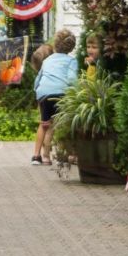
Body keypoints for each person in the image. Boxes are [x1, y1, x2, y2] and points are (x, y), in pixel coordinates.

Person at [33, 29, 78, 165]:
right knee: (63, 125)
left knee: (44, 125)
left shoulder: (47, 60)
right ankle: (69, 154)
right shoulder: (72, 61)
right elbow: (72, 79)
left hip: (43, 94)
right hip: (61, 94)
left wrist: (37, 92)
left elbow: (38, 79)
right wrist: (76, 92)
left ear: (55, 44)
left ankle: (38, 156)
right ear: (71, 47)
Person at [29, 42, 53, 165]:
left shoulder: (40, 74)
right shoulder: (51, 73)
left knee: (43, 125)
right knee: (50, 127)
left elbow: (36, 87)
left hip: (42, 98)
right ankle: (46, 156)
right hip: (53, 98)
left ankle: (37, 154)